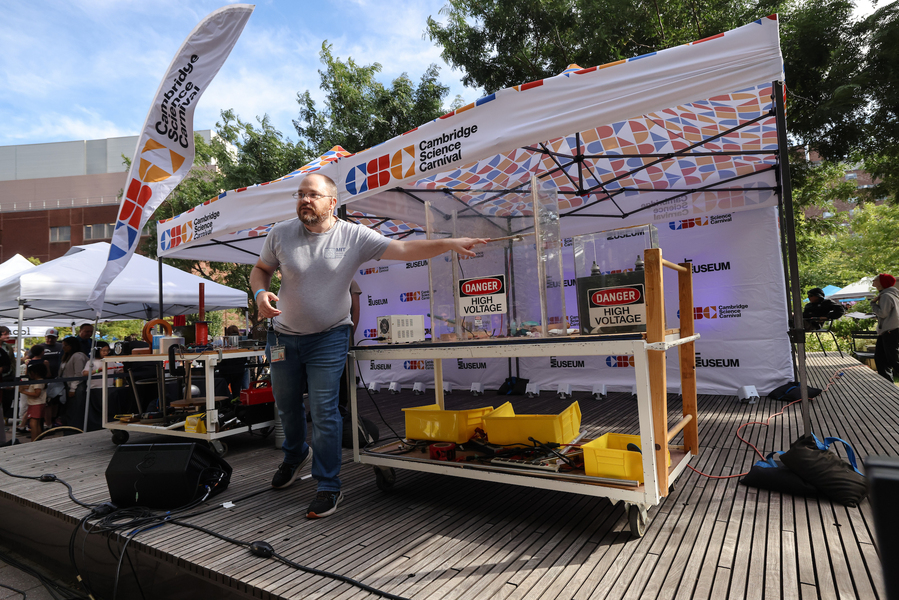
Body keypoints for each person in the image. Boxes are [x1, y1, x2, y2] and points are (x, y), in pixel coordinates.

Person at [251, 172, 487, 519]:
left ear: (332, 203)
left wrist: (449, 243)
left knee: (324, 411)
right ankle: (295, 454)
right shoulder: (280, 233)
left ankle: (328, 485)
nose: (304, 200)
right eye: (300, 194)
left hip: (329, 335)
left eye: (312, 194)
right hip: (282, 336)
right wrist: (260, 293)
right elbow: (261, 269)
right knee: (286, 407)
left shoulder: (354, 235)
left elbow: (404, 249)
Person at [871, 273, 899, 382]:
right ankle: (887, 384)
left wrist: (873, 304)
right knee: (881, 359)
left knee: (893, 360)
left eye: (875, 279)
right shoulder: (892, 294)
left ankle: (887, 383)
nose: (873, 281)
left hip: (890, 331)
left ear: (882, 283)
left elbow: (883, 313)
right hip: (888, 331)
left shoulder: (886, 295)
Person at [58, 336, 88, 428]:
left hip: (77, 386)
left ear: (72, 346)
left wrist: (72, 389)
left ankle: (76, 426)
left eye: (66, 345)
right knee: (70, 407)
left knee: (76, 407)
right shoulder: (67, 356)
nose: (63, 347)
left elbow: (78, 373)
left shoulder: (78, 356)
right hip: (67, 385)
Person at [42, 329, 65, 427]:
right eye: (48, 337)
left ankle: (54, 419)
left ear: (57, 338)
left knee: (56, 400)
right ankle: (47, 422)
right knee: (47, 402)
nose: (50, 340)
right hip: (44, 379)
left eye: (52, 338)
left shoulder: (61, 346)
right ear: (45, 337)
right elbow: (29, 357)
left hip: (59, 378)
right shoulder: (40, 347)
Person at [20, 363, 47, 442]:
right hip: (38, 404)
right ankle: (37, 440)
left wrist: (24, 392)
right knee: (37, 424)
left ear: (36, 373)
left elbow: (36, 394)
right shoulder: (39, 381)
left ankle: (33, 440)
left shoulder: (37, 382)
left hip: (35, 404)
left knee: (33, 424)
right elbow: (31, 387)